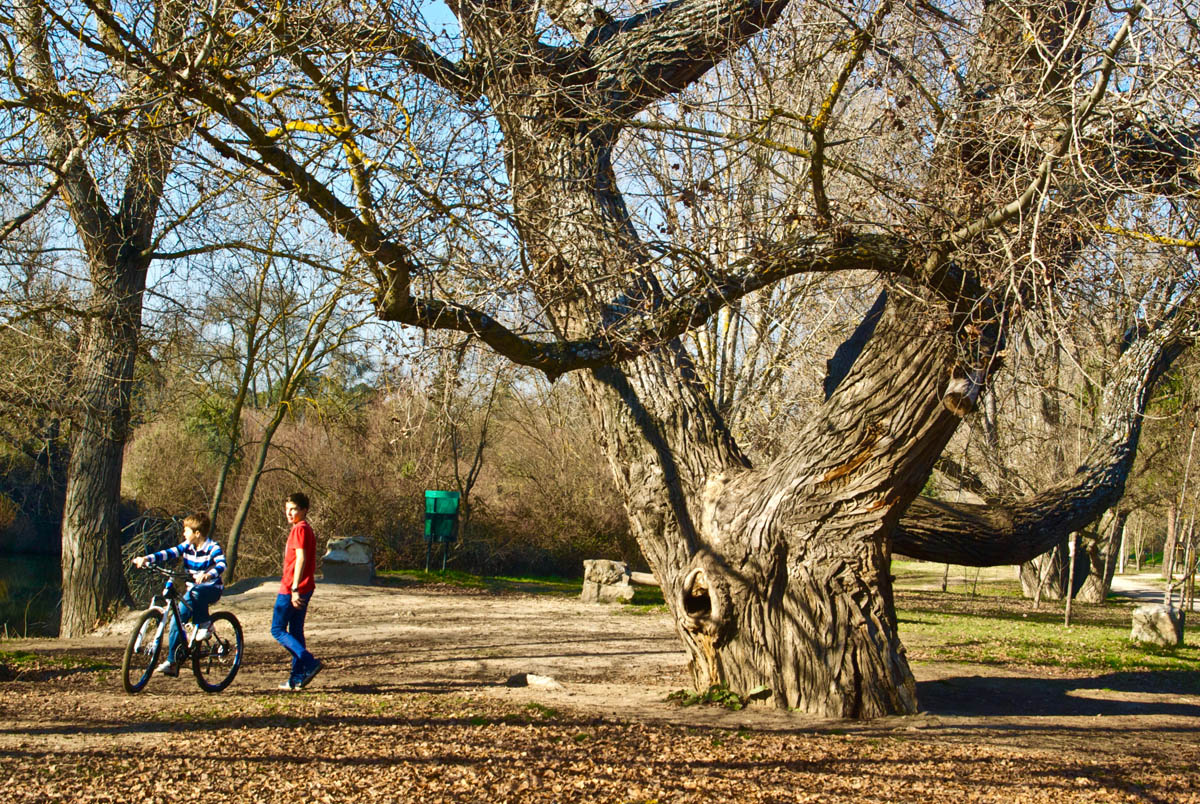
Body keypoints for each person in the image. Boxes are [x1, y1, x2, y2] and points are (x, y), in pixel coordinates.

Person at [131, 512, 226, 678]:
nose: (183, 534)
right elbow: (168, 553)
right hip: (193, 590)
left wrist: (208, 575)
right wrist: (147, 559)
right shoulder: (187, 546)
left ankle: (206, 624)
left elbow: (222, 564)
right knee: (176, 619)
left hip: (211, 588)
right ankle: (172, 663)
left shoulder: (212, 547)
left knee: (197, 592)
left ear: (197, 534)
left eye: (186, 531)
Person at [272, 492, 322, 690]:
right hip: (304, 587)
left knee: (277, 629)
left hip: (293, 588)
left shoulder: (299, 530)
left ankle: (309, 662)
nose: (289, 513)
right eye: (287, 509)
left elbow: (300, 558)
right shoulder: (305, 529)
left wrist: (294, 589)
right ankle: (297, 678)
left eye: (293, 509)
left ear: (304, 510)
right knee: (296, 631)